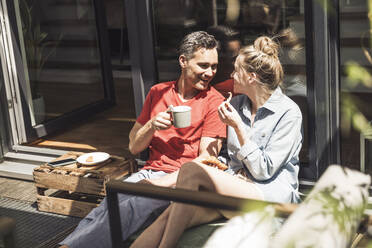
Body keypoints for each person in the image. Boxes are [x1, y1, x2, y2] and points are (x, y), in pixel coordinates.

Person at [129, 35, 303, 248]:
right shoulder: (237, 104)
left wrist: (238, 127)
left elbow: (263, 171)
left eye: (236, 71)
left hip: (268, 199)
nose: (231, 75)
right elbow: (229, 158)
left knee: (192, 170)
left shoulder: (289, 113)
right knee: (171, 213)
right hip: (236, 191)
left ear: (251, 77)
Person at [59, 31, 227, 248]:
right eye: (203, 65)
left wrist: (160, 183)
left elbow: (207, 160)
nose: (210, 72)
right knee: (107, 205)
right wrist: (152, 125)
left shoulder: (214, 101)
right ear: (183, 61)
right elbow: (134, 146)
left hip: (182, 181)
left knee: (133, 207)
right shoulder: (157, 93)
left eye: (214, 66)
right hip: (149, 172)